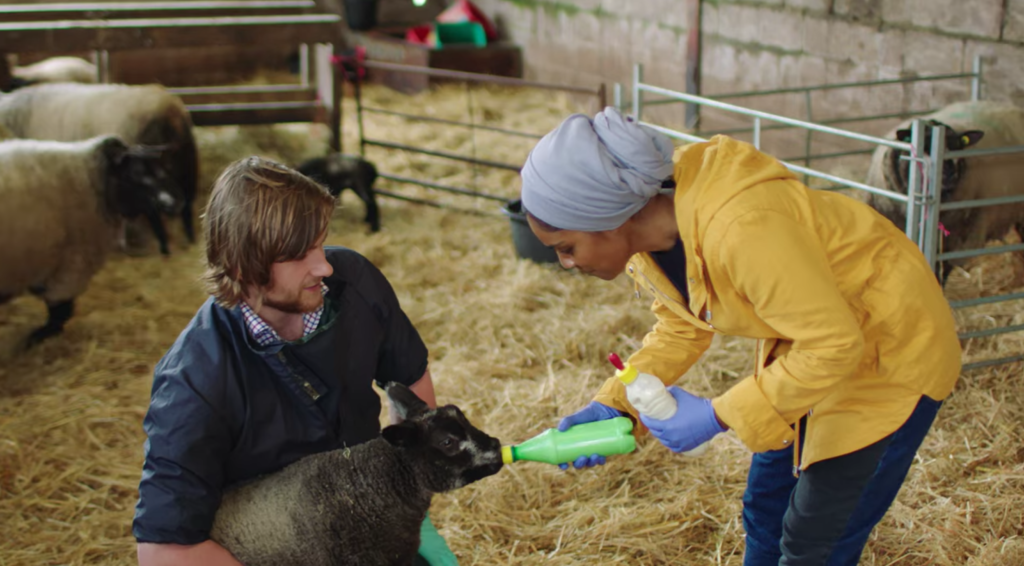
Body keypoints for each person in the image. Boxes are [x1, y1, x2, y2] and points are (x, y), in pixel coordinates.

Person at [519, 107, 961, 566]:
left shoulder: (742, 227)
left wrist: (719, 414)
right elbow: (681, 326)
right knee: (766, 507)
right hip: (804, 344)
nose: (565, 264)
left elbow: (835, 344)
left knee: (816, 538)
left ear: (609, 218)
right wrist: (614, 404)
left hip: (890, 350)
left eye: (566, 248)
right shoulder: (652, 236)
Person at [133, 156, 458, 566]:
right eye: (298, 254)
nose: (323, 265)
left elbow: (411, 381)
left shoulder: (353, 282)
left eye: (320, 244)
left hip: (364, 514)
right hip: (275, 547)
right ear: (240, 264)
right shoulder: (194, 380)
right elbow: (162, 549)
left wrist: (399, 491)